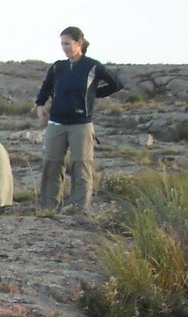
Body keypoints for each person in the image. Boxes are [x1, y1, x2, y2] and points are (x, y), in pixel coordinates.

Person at [35, 26, 123, 213]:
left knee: (80, 164)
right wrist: (40, 106)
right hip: (56, 123)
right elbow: (45, 88)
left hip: (80, 124)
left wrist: (94, 94)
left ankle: (78, 208)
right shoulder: (58, 66)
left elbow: (116, 84)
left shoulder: (92, 66)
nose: (64, 47)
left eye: (67, 43)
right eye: (62, 44)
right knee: (52, 163)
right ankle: (49, 207)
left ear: (79, 43)